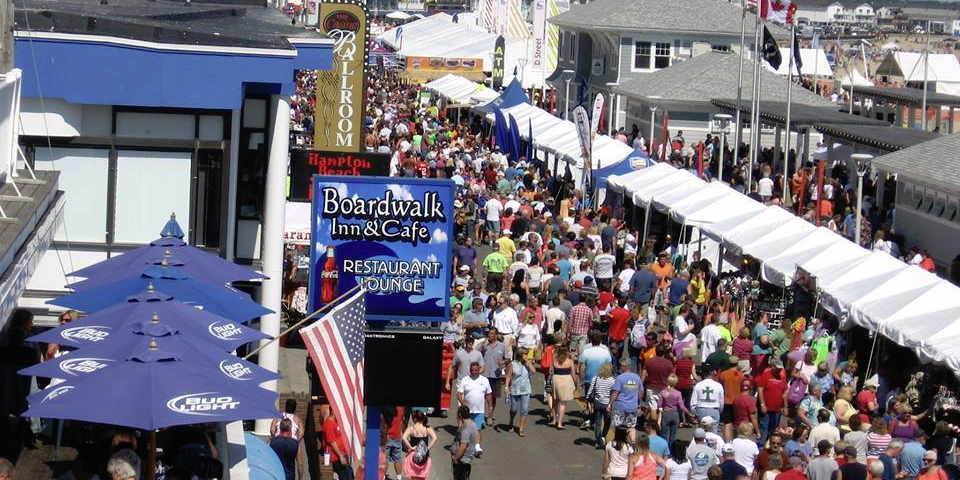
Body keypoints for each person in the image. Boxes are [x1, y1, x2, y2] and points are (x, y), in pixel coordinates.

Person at [457, 362, 493, 456]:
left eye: (476, 370)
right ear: (470, 370)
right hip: (467, 411)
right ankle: (463, 446)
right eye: (472, 370)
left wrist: (490, 407)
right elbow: (459, 394)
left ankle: (477, 447)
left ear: (479, 370)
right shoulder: (465, 380)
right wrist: (463, 402)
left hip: (479, 410)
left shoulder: (484, 380)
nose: (474, 372)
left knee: (477, 429)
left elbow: (488, 394)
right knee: (465, 430)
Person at [479, 327, 509, 427]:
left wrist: (503, 362)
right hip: (484, 375)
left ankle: (490, 416)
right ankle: (481, 417)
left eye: (492, 333)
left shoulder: (502, 346)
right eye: (488, 333)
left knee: (493, 397)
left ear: (496, 335)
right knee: (482, 396)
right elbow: (478, 356)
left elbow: (508, 359)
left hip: (496, 375)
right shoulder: (484, 346)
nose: (489, 335)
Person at [610, 357, 643, 442]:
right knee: (631, 427)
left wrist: (610, 404)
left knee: (618, 427)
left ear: (624, 366)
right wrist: (638, 404)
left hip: (621, 407)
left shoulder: (620, 378)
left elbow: (615, 392)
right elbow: (641, 393)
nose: (620, 367)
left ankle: (619, 443)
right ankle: (632, 443)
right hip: (632, 407)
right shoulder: (637, 378)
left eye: (621, 366)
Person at [504, 347, 534, 437]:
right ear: (520, 355)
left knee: (524, 410)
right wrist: (506, 388)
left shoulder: (528, 364)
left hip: (526, 389)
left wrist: (528, 361)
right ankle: (511, 421)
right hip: (515, 389)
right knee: (514, 409)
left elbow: (533, 371)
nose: (527, 356)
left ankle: (521, 429)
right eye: (525, 354)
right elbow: (508, 376)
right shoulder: (512, 364)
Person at [401, 411, 437, 480]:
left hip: (413, 455)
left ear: (415, 419)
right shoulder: (427, 428)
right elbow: (435, 438)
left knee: (414, 476)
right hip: (424, 455)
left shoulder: (411, 429)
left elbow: (404, 438)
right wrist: (427, 448)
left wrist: (411, 447)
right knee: (422, 476)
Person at [588, 363, 617, 448]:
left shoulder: (596, 378)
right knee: (607, 421)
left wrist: (587, 399)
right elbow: (614, 391)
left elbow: (590, 390)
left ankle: (598, 438)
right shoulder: (612, 380)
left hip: (597, 403)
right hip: (607, 404)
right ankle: (604, 436)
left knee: (598, 422)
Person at [659, 374, 692, 445]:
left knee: (664, 434)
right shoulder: (678, 393)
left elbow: (659, 404)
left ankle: (664, 450)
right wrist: (689, 413)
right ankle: (671, 450)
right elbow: (681, 406)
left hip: (666, 413)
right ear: (676, 382)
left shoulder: (663, 392)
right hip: (675, 414)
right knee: (673, 436)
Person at [551, 346, 578, 429]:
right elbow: (573, 374)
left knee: (555, 401)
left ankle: (554, 419)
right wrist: (575, 383)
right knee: (563, 403)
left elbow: (550, 371)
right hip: (566, 380)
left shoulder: (555, 360)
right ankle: (559, 423)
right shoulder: (569, 362)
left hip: (556, 379)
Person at [323, 410, 353, 480]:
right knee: (345, 476)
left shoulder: (336, 422)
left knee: (349, 474)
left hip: (343, 453)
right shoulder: (329, 424)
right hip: (336, 456)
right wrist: (341, 456)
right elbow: (332, 442)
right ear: (333, 411)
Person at [451, 406, 478, 480]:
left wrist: (455, 458)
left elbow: (463, 447)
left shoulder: (466, 429)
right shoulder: (472, 423)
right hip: (465, 462)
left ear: (460, 415)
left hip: (462, 462)